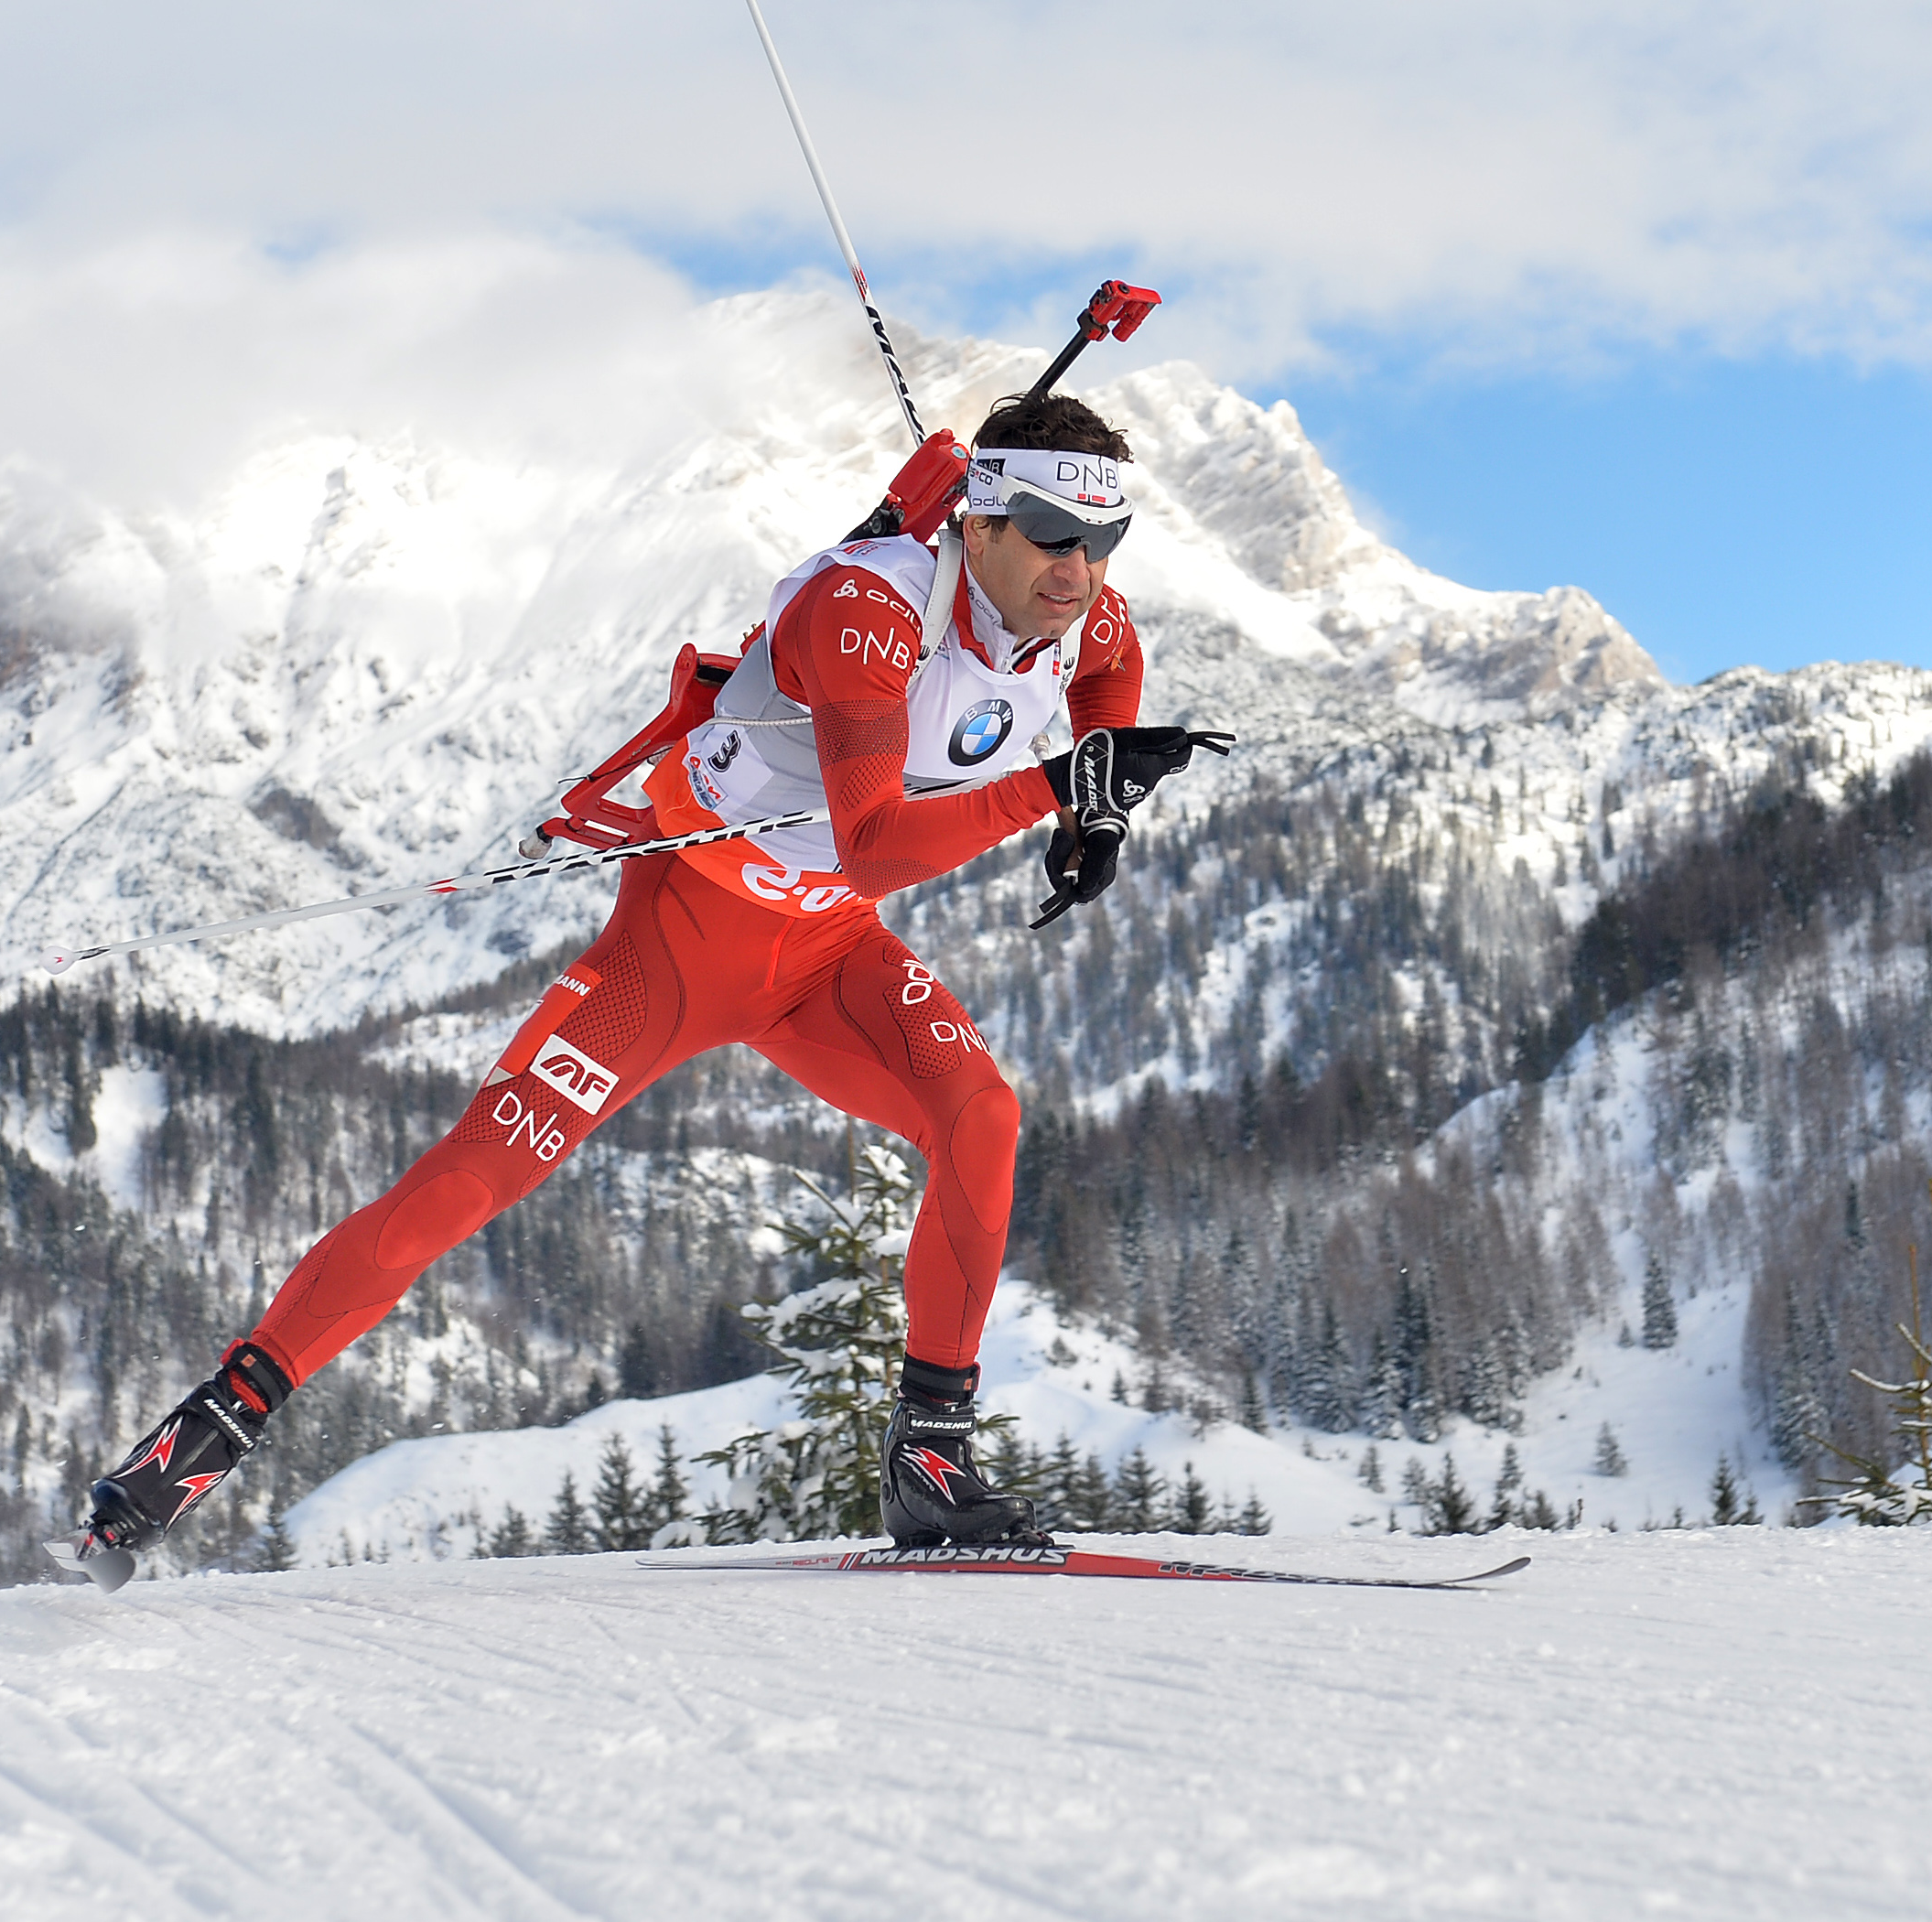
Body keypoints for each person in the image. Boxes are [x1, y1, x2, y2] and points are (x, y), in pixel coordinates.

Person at [74, 391, 1227, 1562]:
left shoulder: (1083, 609)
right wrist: (1060, 785)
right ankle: (206, 1431)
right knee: (472, 1178)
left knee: (980, 1117)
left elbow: (1104, 676)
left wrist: (1099, 817)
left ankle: (930, 1463)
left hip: (826, 950)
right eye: (1050, 536)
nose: (1079, 571)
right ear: (977, 521)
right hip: (676, 947)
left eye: (1102, 542)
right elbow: (875, 839)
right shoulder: (866, 609)